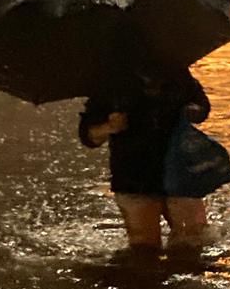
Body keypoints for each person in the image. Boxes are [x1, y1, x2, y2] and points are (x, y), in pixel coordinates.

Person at [79, 59, 214, 256]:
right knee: (145, 249)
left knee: (194, 241)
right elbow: (88, 136)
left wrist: (193, 111)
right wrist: (109, 127)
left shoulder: (177, 73)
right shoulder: (110, 85)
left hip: (179, 171)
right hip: (134, 176)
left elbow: (202, 105)